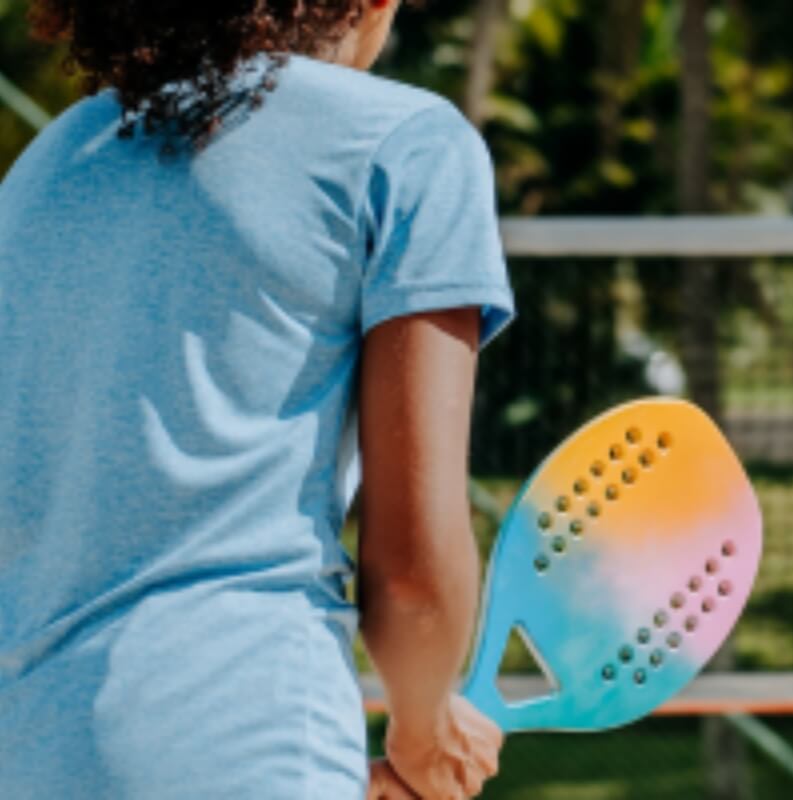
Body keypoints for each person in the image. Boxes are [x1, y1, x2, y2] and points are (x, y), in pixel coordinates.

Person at [0, 2, 512, 798]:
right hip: (250, 732)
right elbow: (412, 563)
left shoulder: (46, 166)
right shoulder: (408, 143)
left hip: (31, 750)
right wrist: (424, 724)